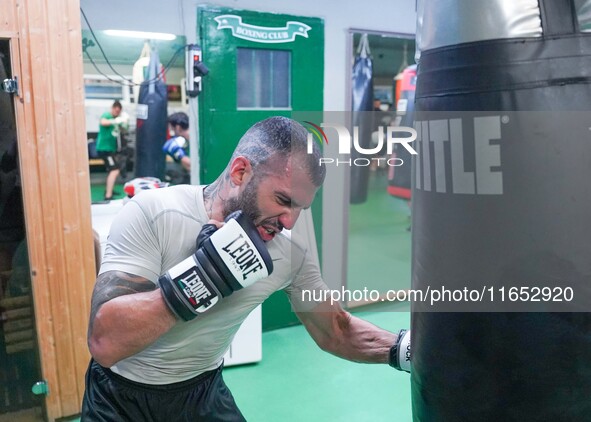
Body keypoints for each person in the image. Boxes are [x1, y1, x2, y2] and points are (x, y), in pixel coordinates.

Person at [81, 117, 410, 421]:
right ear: (240, 172)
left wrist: (405, 350)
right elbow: (105, 343)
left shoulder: (290, 255)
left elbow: (336, 330)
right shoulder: (156, 213)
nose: (289, 221)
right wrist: (204, 277)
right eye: (283, 200)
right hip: (117, 397)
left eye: (300, 208)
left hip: (202, 393)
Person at [96, 100, 129, 200]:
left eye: (118, 111)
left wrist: (124, 122)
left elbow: (124, 131)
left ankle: (109, 190)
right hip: (104, 149)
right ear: (112, 109)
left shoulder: (117, 118)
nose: (116, 113)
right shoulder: (107, 115)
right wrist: (116, 121)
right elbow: (103, 122)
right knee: (114, 170)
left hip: (111, 149)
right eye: (115, 111)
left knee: (113, 170)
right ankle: (108, 195)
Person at [162, 111, 191, 185]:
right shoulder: (189, 138)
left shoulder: (178, 143)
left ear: (178, 128)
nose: (173, 132)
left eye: (173, 129)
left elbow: (190, 166)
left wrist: (178, 154)